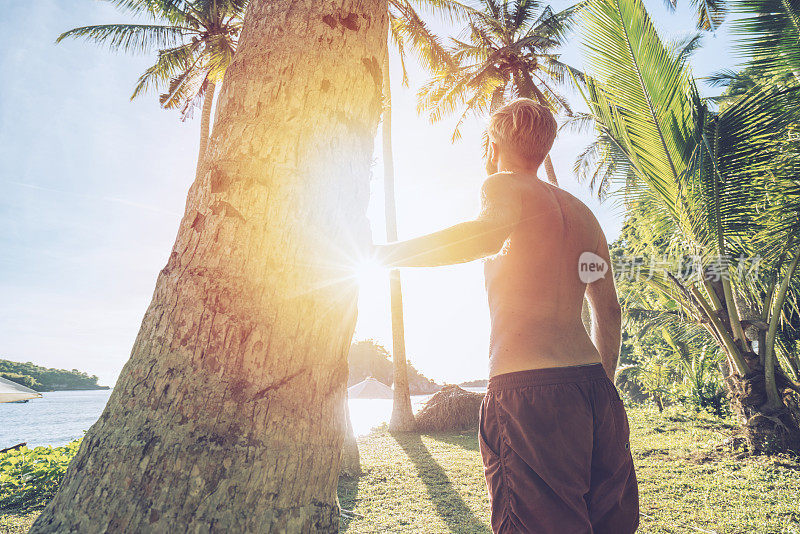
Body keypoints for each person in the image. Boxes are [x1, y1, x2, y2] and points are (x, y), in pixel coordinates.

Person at [376, 98, 639, 533]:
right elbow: (608, 311)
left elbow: (486, 234)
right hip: (594, 391)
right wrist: (601, 390)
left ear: (495, 139)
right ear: (546, 145)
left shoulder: (503, 185)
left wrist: (383, 256)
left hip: (528, 392)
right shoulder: (585, 217)